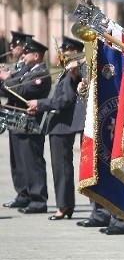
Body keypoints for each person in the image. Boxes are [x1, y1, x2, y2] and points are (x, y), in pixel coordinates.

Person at [26, 36, 86, 220]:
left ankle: (64, 206)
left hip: (63, 126)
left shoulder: (73, 73)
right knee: (59, 169)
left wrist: (39, 103)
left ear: (74, 52)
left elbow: (64, 100)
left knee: (62, 169)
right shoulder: (66, 72)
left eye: (65, 51)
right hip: (57, 126)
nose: (62, 55)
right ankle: (65, 204)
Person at [0, 38, 52, 213]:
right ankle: (24, 195)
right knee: (19, 162)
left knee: (33, 162)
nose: (23, 54)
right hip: (19, 122)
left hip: (31, 124)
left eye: (26, 52)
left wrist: (7, 79)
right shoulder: (27, 71)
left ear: (36, 55)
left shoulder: (41, 74)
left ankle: (38, 200)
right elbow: (9, 90)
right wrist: (4, 80)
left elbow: (23, 91)